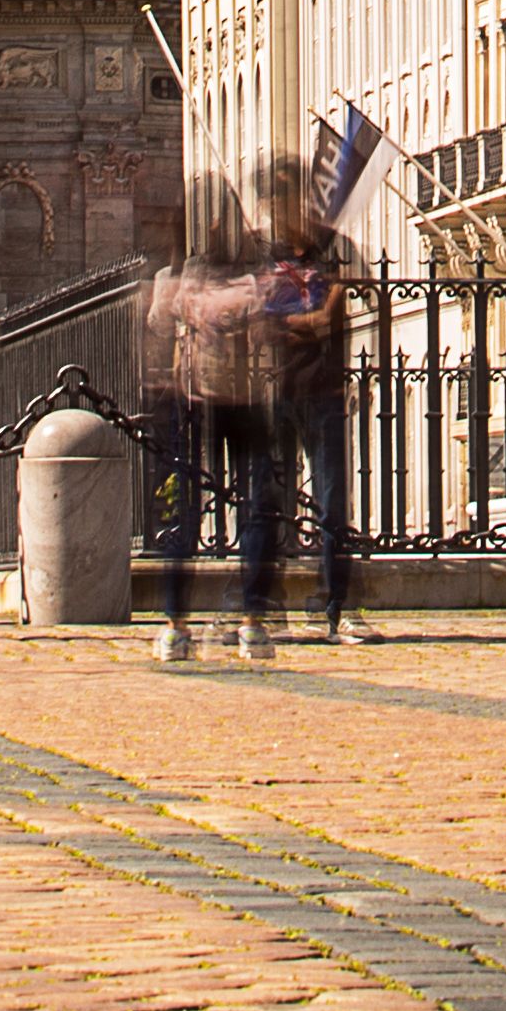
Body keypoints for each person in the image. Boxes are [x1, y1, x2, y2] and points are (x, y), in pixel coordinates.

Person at [144, 177, 257, 668]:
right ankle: (249, 618)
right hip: (237, 392)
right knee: (245, 500)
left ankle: (177, 624)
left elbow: (158, 320)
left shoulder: (189, 272)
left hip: (196, 393)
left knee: (187, 505)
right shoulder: (245, 272)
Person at [261, 159, 366, 645]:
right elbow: (264, 321)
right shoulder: (265, 257)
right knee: (271, 502)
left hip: (324, 387)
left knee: (331, 504)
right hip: (280, 388)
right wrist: (317, 318)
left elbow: (364, 291)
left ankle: (336, 606)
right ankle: (267, 605)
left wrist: (338, 303)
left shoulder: (330, 248)